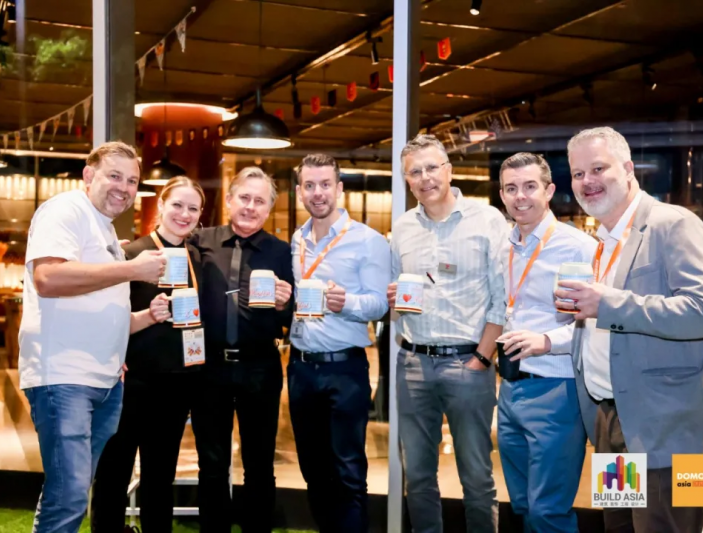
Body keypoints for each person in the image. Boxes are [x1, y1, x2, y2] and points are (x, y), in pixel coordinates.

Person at [555, 126, 703, 532]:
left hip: (681, 433)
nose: (587, 181)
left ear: (628, 169)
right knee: (620, 527)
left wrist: (608, 304)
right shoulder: (603, 241)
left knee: (677, 527)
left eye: (598, 168)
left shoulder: (675, 223)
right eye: (578, 173)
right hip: (614, 422)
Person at [19, 141, 167, 533]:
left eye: (132, 181)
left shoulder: (104, 229)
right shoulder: (65, 210)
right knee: (69, 495)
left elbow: (104, 313)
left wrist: (146, 318)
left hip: (104, 382)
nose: (124, 188)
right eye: (114, 176)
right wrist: (132, 269)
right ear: (89, 175)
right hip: (64, 378)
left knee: (71, 491)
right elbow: (48, 278)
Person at [388, 134, 508, 533]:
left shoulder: (487, 220)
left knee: (476, 476)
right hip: (413, 363)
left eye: (431, 168)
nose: (424, 178)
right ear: (407, 180)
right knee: (418, 476)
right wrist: (393, 298)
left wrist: (482, 358)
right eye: (414, 172)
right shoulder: (403, 228)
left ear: (449, 170)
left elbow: (502, 298)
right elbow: (397, 292)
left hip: (468, 363)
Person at [90, 177, 207, 533]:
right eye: (177, 205)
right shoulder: (132, 254)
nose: (184, 214)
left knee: (160, 474)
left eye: (193, 208)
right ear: (161, 206)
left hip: (177, 383)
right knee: (115, 470)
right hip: (130, 382)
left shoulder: (198, 259)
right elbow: (105, 319)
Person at [288, 154, 391, 533]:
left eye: (325, 184)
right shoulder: (297, 240)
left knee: (348, 471)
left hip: (344, 369)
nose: (318, 193)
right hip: (300, 368)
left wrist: (346, 303)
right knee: (313, 470)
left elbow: (380, 305)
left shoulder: (368, 241)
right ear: (300, 191)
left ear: (339, 188)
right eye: (309, 185)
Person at [188, 167, 294, 533]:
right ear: (230, 200)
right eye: (244, 198)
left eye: (259, 201)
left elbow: (295, 316)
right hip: (208, 367)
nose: (250, 206)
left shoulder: (281, 252)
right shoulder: (199, 241)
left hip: (260, 367)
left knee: (260, 463)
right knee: (211, 464)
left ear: (269, 209)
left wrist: (285, 304)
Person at [496, 153, 596, 532]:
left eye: (529, 186)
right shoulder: (505, 246)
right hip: (510, 389)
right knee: (523, 505)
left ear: (549, 191)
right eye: (511, 188)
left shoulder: (578, 247)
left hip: (557, 390)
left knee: (547, 511)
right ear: (502, 195)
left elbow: (596, 322)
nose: (520, 196)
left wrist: (546, 340)